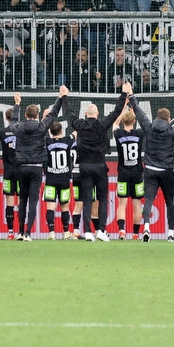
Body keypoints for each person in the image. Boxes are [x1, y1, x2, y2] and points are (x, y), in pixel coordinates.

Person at [66, 84, 127, 242]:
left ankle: (87, 232)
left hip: (84, 166)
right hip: (100, 165)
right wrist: (124, 93)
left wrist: (64, 97)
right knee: (103, 199)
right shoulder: (102, 124)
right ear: (97, 113)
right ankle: (101, 230)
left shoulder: (80, 125)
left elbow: (69, 114)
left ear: (86, 114)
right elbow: (116, 112)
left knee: (87, 199)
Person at [131, 92, 174, 242]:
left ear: (157, 117)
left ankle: (146, 228)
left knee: (148, 200)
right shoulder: (171, 132)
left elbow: (139, 113)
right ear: (169, 119)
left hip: (150, 170)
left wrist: (132, 96)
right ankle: (171, 233)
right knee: (170, 202)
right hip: (166, 171)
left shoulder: (149, 127)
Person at [8, 87, 66, 241]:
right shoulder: (41, 128)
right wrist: (60, 97)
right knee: (33, 200)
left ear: (26, 115)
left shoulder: (19, 127)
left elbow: (12, 121)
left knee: (22, 199)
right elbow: (53, 114)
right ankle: (27, 233)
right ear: (38, 115)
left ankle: (20, 232)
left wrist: (17, 105)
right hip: (36, 167)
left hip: (21, 167)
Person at [114, 105, 145, 240]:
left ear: (122, 121)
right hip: (137, 173)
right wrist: (133, 112)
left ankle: (122, 230)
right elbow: (142, 123)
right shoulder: (139, 134)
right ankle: (136, 233)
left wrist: (122, 110)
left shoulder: (118, 134)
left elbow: (115, 123)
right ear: (134, 121)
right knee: (137, 204)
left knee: (122, 204)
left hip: (123, 173)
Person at [44, 121, 73, 240]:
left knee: (50, 207)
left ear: (50, 132)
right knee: (64, 207)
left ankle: (51, 232)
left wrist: (45, 117)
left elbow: (39, 132)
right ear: (62, 131)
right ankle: (66, 232)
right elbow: (77, 132)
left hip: (51, 179)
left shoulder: (47, 142)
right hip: (64, 179)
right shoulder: (67, 140)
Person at [0, 94, 21, 240]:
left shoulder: (1, 132)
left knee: (10, 201)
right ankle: (23, 230)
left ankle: (10, 231)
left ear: (6, 118)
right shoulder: (23, 130)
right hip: (22, 170)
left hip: (9, 171)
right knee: (23, 200)